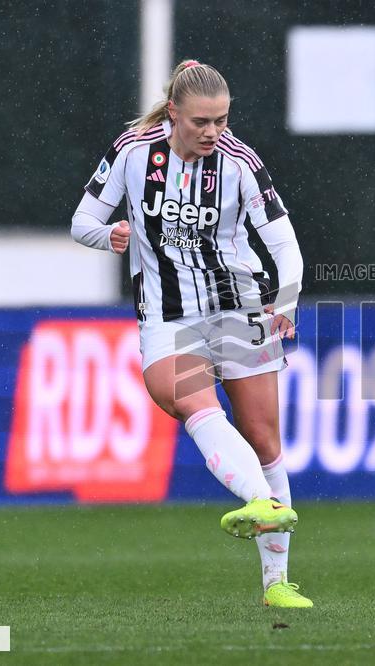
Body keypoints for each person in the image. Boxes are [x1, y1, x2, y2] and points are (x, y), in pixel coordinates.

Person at [71, 60, 311, 608]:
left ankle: (277, 584)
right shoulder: (133, 152)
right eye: (202, 121)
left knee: (265, 440)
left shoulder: (240, 162)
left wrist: (286, 302)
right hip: (167, 316)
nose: (213, 132)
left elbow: (285, 245)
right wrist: (110, 234)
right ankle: (263, 502)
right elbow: (81, 221)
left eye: (221, 120)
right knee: (195, 404)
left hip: (239, 306)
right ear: (174, 113)